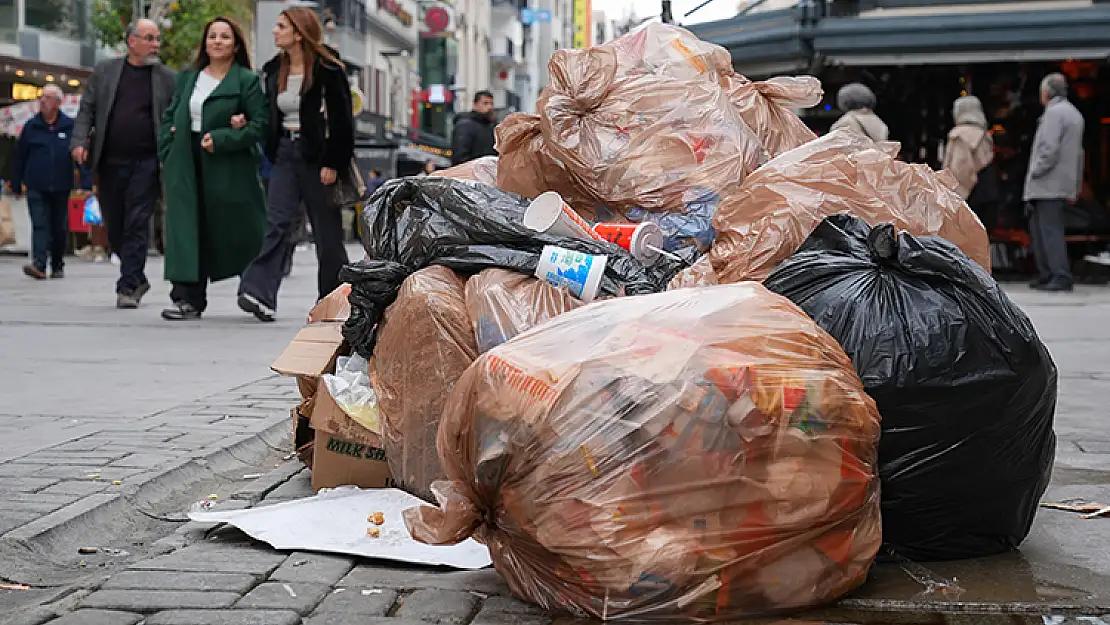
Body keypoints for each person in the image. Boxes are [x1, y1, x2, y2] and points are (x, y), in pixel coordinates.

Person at [237, 6, 354, 322]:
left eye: (281, 26)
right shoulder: (276, 69)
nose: (275, 32)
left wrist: (333, 162)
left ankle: (333, 300)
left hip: (318, 157)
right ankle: (259, 293)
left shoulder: (328, 69)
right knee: (277, 222)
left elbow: (343, 122)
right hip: (285, 154)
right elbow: (270, 113)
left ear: (299, 32)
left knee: (326, 230)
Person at [157, 17, 269, 321]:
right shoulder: (188, 78)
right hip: (185, 159)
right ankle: (187, 298)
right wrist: (167, 150)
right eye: (212, 36)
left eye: (224, 36)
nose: (217, 41)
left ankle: (258, 290)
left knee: (240, 226)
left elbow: (259, 125)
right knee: (186, 228)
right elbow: (169, 116)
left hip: (228, 164)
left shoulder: (245, 80)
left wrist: (223, 138)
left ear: (235, 45)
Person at [71, 18, 176, 309]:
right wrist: (79, 141)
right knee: (114, 221)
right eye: (149, 38)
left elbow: (175, 115)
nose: (155, 44)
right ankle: (136, 276)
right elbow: (87, 109)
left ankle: (128, 285)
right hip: (110, 159)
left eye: (157, 39)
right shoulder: (106, 71)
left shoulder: (167, 78)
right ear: (132, 42)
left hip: (147, 161)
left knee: (137, 222)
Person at [8, 85, 78, 280]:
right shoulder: (31, 126)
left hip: (61, 185)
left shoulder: (69, 126)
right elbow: (20, 156)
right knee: (40, 224)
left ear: (57, 103)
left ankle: (57, 264)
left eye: (47, 98)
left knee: (58, 227)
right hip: (36, 184)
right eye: (42, 97)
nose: (42, 101)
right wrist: (16, 182)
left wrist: (86, 181)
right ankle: (39, 264)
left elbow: (79, 155)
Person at [1024, 73, 1085, 293]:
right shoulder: (1073, 114)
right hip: (1062, 183)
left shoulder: (1054, 114)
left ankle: (1057, 274)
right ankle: (1050, 273)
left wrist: (1034, 171)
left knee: (1048, 231)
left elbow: (1048, 149)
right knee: (1049, 230)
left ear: (1047, 93)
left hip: (1046, 184)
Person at [943, 94, 998, 229]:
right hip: (988, 191)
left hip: (970, 197)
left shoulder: (958, 135)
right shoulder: (985, 135)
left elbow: (960, 170)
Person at [450, 90, 496, 166]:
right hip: (470, 173)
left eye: (491, 104)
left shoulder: (491, 126)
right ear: (475, 105)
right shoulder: (465, 125)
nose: (489, 107)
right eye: (485, 103)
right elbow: (460, 155)